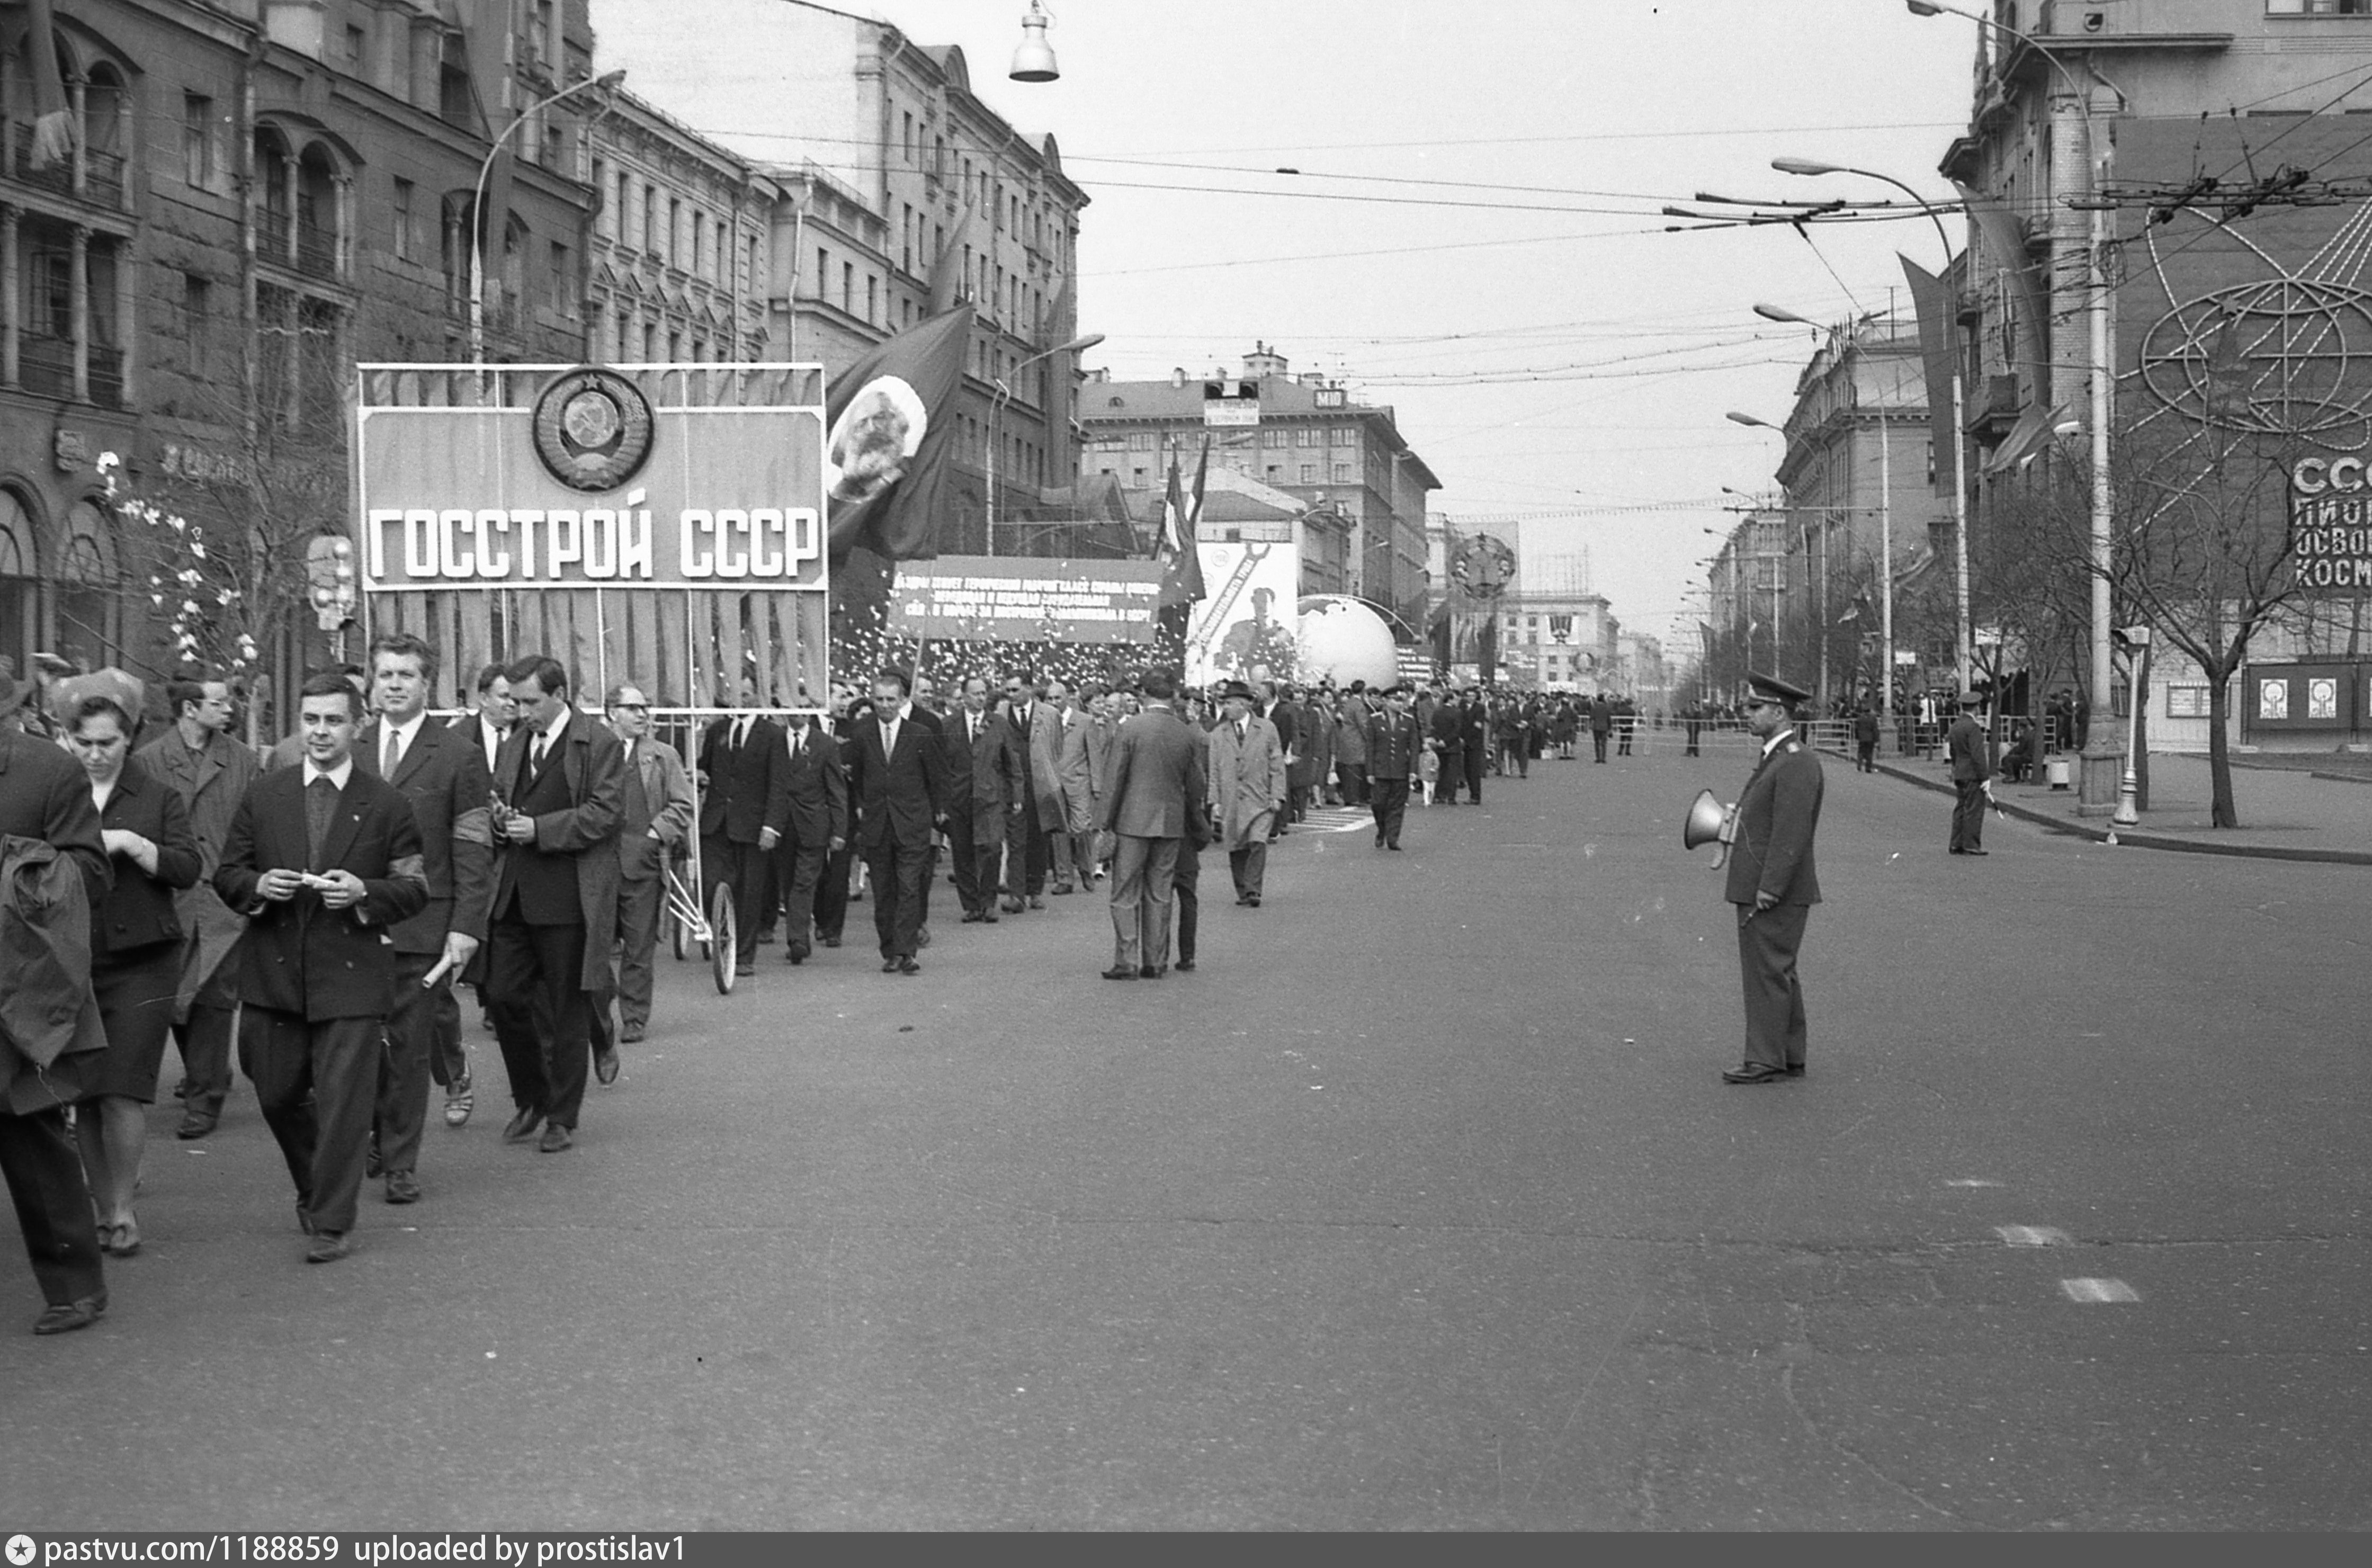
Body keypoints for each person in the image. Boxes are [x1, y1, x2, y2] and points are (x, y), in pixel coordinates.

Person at [216, 670, 429, 1258]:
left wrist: (366, 893)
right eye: (311, 719)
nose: (320, 732)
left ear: (358, 726)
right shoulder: (266, 794)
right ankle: (316, 1187)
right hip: (274, 971)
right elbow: (227, 874)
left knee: (343, 1103)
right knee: (278, 1092)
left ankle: (333, 1219)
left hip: (352, 974)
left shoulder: (386, 804)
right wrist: (258, 884)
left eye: (334, 720)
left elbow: (414, 888)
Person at [355, 634, 493, 1204]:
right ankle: (373, 1132)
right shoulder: (353, 746)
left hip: (424, 923)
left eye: (405, 676)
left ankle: (400, 1160)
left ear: (425, 684)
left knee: (410, 1045)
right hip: (355, 920)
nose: (393, 684)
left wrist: (465, 927)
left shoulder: (458, 754)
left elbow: (474, 846)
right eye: (385, 674)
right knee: (360, 1042)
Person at [0, 663, 114, 1333]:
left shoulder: (50, 771)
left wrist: (15, 873)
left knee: (30, 1137)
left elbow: (90, 873)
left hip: (17, 989)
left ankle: (75, 1286)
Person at [66, 692, 201, 1259]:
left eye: (108, 743)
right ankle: (101, 1207)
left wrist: (134, 844)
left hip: (144, 959)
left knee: (122, 1088)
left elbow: (187, 867)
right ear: (69, 740)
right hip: (72, 960)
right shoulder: (56, 793)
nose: (96, 755)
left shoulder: (158, 796)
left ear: (130, 739)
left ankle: (122, 1209)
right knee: (87, 1094)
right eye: (85, 743)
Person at [484, 656, 623, 1155]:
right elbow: (501, 797)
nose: (521, 712)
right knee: (501, 995)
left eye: (531, 702)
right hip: (515, 894)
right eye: (515, 702)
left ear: (561, 693)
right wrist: (500, 818)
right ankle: (532, 1096)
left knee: (567, 1011)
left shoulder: (599, 742)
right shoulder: (517, 741)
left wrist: (541, 830)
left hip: (569, 898)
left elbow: (605, 815)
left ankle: (561, 1116)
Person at [138, 673, 260, 1140]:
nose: (229, 707)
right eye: (218, 700)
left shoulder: (243, 761)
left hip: (226, 897)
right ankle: (205, 1074)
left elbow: (257, 825)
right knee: (177, 998)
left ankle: (204, 1099)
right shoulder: (149, 761)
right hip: (170, 896)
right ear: (190, 709)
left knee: (213, 997)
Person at [1720, 673, 1824, 1086]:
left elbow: (1790, 832)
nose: (1746, 714)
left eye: (1754, 707)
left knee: (1767, 973)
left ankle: (1764, 1059)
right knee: (1778, 970)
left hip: (1773, 888)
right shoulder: (1780, 757)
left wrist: (1770, 887)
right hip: (1769, 884)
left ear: (1778, 712)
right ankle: (1788, 1053)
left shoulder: (1795, 761)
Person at [1098, 669, 1205, 980]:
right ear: (1172, 695)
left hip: (1132, 821)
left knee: (1125, 892)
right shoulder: (1186, 732)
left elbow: (1115, 778)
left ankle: (1127, 960)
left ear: (1143, 694)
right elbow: (1197, 784)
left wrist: (1104, 822)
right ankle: (1155, 961)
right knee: (1160, 892)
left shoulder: (1130, 729)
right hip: (1171, 822)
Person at [604, 684, 692, 1041]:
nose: (642, 714)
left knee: (639, 947)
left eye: (645, 707)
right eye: (632, 707)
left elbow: (683, 805)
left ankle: (634, 1017)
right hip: (599, 865)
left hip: (643, 865)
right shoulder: (594, 752)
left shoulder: (662, 755)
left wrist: (656, 833)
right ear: (612, 712)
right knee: (593, 946)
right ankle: (597, 1011)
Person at [846, 667, 946, 975]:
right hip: (877, 824)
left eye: (891, 699)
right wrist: (864, 808)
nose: (885, 705)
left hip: (912, 823)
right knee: (885, 891)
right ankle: (889, 950)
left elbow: (936, 777)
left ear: (903, 700)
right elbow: (857, 779)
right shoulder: (861, 734)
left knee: (910, 887)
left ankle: (907, 951)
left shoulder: (920, 734)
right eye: (879, 699)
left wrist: (938, 813)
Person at [696, 678, 786, 979]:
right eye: (735, 692)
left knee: (749, 892)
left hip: (753, 826)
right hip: (716, 823)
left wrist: (772, 826)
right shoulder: (716, 731)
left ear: (758, 696)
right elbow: (704, 769)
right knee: (710, 884)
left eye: (746, 693)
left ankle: (744, 954)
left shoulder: (773, 735)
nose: (740, 699)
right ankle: (720, 929)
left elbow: (779, 784)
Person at [942, 676, 1023, 925]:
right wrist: (942, 802)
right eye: (975, 693)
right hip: (959, 797)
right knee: (963, 852)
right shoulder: (949, 725)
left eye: (983, 693)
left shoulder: (998, 724)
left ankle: (988, 902)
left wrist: (1017, 795)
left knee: (992, 848)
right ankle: (971, 905)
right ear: (964, 697)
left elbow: (1013, 762)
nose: (980, 698)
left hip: (991, 797)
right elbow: (942, 766)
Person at [773, 704, 848, 964]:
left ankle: (798, 940)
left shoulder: (825, 744)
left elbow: (836, 789)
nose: (800, 712)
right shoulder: (775, 740)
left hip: (813, 825)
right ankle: (797, 934)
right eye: (794, 706)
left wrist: (839, 830)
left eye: (806, 707)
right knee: (787, 882)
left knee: (804, 883)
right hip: (781, 825)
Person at [1207, 679, 1287, 908]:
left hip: (1260, 797)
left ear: (1243, 705)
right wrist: (1214, 801)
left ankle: (1254, 889)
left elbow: (1277, 763)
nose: (1226, 708)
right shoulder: (1218, 734)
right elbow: (1213, 770)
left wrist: (1277, 794)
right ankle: (1242, 889)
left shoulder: (1266, 728)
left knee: (1257, 841)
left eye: (1230, 703)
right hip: (1231, 798)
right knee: (1236, 845)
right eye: (1224, 704)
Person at [1365, 684, 1422, 851]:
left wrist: (1413, 770)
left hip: (1400, 770)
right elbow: (1370, 747)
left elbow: (1414, 747)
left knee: (1397, 806)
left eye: (1402, 700)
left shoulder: (1409, 721)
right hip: (1380, 770)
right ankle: (1382, 829)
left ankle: (1393, 838)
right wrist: (1370, 771)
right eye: (1396, 700)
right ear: (1386, 701)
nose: (1400, 704)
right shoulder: (1375, 720)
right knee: (1378, 804)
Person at [1947, 692, 1993, 856]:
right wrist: (1985, 776)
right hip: (1973, 774)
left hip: (1960, 771)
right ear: (1976, 708)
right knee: (1974, 810)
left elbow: (1953, 752)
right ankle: (1971, 845)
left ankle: (1956, 843)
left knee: (1960, 808)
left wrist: (1955, 767)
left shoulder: (1956, 725)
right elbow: (1978, 755)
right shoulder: (1973, 728)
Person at [1332, 684, 1371, 808]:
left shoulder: (1349, 703)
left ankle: (1350, 796)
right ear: (1363, 691)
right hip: (1356, 740)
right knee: (1355, 770)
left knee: (1348, 769)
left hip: (1346, 738)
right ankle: (1354, 797)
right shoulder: (1359, 706)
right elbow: (1363, 724)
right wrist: (1370, 739)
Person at [1427, 687, 1464, 806]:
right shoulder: (1457, 712)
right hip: (1453, 746)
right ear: (1451, 700)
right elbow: (1457, 730)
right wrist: (1447, 741)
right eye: (1456, 699)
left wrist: (1438, 740)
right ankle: (1451, 797)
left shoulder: (1437, 712)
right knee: (1452, 773)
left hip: (1439, 746)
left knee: (1440, 771)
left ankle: (1438, 796)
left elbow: (1433, 728)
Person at [1852, 704, 1880, 774]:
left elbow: (1856, 728)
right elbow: (1875, 729)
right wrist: (1877, 739)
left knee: (1861, 752)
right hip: (1870, 738)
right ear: (1870, 711)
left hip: (1862, 738)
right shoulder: (1873, 719)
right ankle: (1868, 768)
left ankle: (1859, 765)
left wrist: (1857, 737)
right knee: (1869, 753)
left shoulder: (1860, 718)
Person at [1589, 692, 1614, 763]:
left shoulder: (1594, 707)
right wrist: (1610, 728)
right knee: (1604, 744)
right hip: (1604, 727)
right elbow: (1609, 719)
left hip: (1596, 727)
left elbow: (1592, 717)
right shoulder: (1607, 707)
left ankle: (1598, 758)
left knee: (1597, 743)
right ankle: (1603, 758)